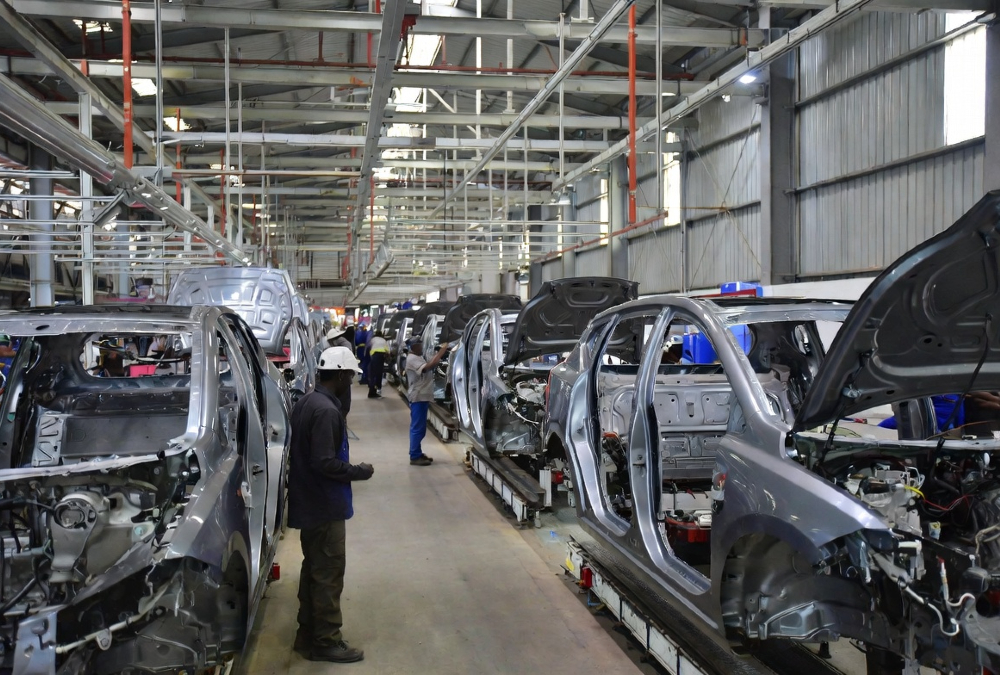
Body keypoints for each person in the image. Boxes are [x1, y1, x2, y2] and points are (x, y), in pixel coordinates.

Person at [289, 346, 374, 663]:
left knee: (313, 569)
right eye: (350, 376)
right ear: (340, 375)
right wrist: (358, 472)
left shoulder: (308, 403)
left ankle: (306, 635)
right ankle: (326, 640)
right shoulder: (325, 411)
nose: (351, 381)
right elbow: (323, 461)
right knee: (327, 574)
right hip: (323, 505)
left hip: (309, 503)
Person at [405, 338, 449, 466]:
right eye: (420, 345)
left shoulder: (417, 357)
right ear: (414, 346)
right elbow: (428, 367)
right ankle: (414, 456)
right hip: (418, 397)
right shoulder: (412, 359)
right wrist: (441, 352)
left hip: (422, 397)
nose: (422, 347)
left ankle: (416, 452)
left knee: (420, 428)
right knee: (417, 428)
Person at [366, 331, 389, 399]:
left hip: (372, 356)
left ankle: (372, 390)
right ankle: (375, 390)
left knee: (372, 373)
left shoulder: (373, 339)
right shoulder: (383, 340)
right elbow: (388, 351)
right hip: (380, 357)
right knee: (378, 374)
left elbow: (368, 347)